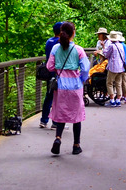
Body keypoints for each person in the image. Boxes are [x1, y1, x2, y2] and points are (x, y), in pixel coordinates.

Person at [46, 22, 90, 155]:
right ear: (73, 33)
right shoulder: (78, 50)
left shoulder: (55, 48)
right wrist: (81, 79)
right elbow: (85, 68)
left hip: (60, 86)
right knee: (76, 115)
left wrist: (59, 70)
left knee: (61, 113)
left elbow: (49, 67)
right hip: (75, 86)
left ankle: (58, 138)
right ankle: (76, 145)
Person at [40, 22, 62, 129]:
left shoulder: (49, 41)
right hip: (58, 73)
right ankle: (55, 122)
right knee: (57, 98)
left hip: (49, 72)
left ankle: (44, 120)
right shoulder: (60, 42)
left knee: (48, 96)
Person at [103, 30, 126, 107]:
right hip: (121, 67)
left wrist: (103, 48)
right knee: (118, 84)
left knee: (109, 83)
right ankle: (118, 100)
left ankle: (112, 100)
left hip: (113, 67)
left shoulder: (111, 46)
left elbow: (106, 54)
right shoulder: (121, 45)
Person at [117, 31, 126, 105]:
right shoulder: (123, 45)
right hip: (125, 64)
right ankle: (125, 96)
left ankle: (122, 96)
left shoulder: (119, 45)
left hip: (121, 64)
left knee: (120, 81)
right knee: (123, 81)